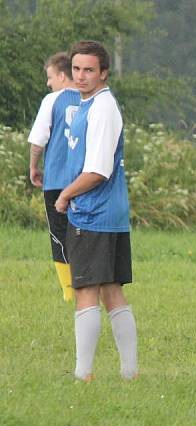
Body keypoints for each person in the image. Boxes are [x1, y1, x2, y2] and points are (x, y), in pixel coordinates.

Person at [55, 40, 137, 382]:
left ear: (104, 72)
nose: (82, 76)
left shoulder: (102, 108)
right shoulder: (88, 104)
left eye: (90, 69)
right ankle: (129, 373)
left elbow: (99, 169)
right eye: (76, 69)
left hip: (94, 212)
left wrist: (65, 196)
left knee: (87, 290)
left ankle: (83, 374)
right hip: (107, 213)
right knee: (111, 290)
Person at [27, 52, 81, 302]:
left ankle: (70, 291)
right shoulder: (89, 99)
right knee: (83, 232)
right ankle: (89, 282)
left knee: (59, 234)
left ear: (61, 75)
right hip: (85, 180)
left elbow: (38, 140)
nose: (48, 83)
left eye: (50, 77)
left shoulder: (52, 100)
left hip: (57, 180)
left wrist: (34, 167)